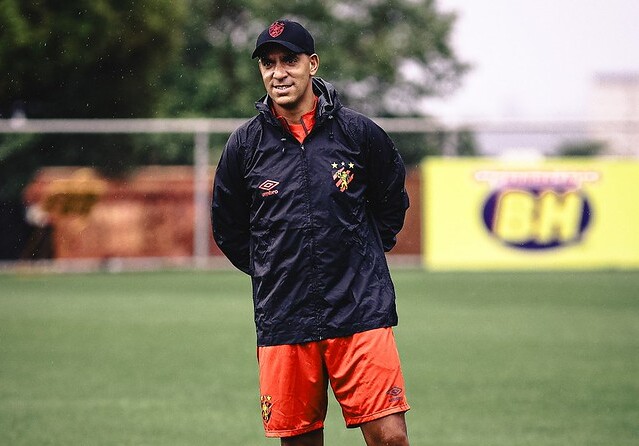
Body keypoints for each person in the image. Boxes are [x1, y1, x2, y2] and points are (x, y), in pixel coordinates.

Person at [211, 19, 411, 446]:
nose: (278, 72)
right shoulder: (244, 146)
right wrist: (273, 267)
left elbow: (392, 198)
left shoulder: (358, 133)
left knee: (390, 437)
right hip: (285, 316)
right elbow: (228, 227)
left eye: (290, 61)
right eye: (268, 63)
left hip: (359, 309)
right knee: (300, 442)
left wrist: (365, 254)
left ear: (312, 64)